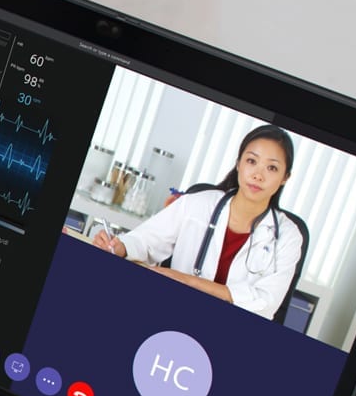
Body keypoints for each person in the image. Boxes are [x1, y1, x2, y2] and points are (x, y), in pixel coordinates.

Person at [90, 125, 308, 321]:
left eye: (272, 168)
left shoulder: (288, 236)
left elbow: (266, 303)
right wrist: (120, 247)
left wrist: (188, 282)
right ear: (238, 164)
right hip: (173, 314)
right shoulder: (196, 204)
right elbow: (145, 241)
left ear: (285, 178)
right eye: (252, 161)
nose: (258, 175)